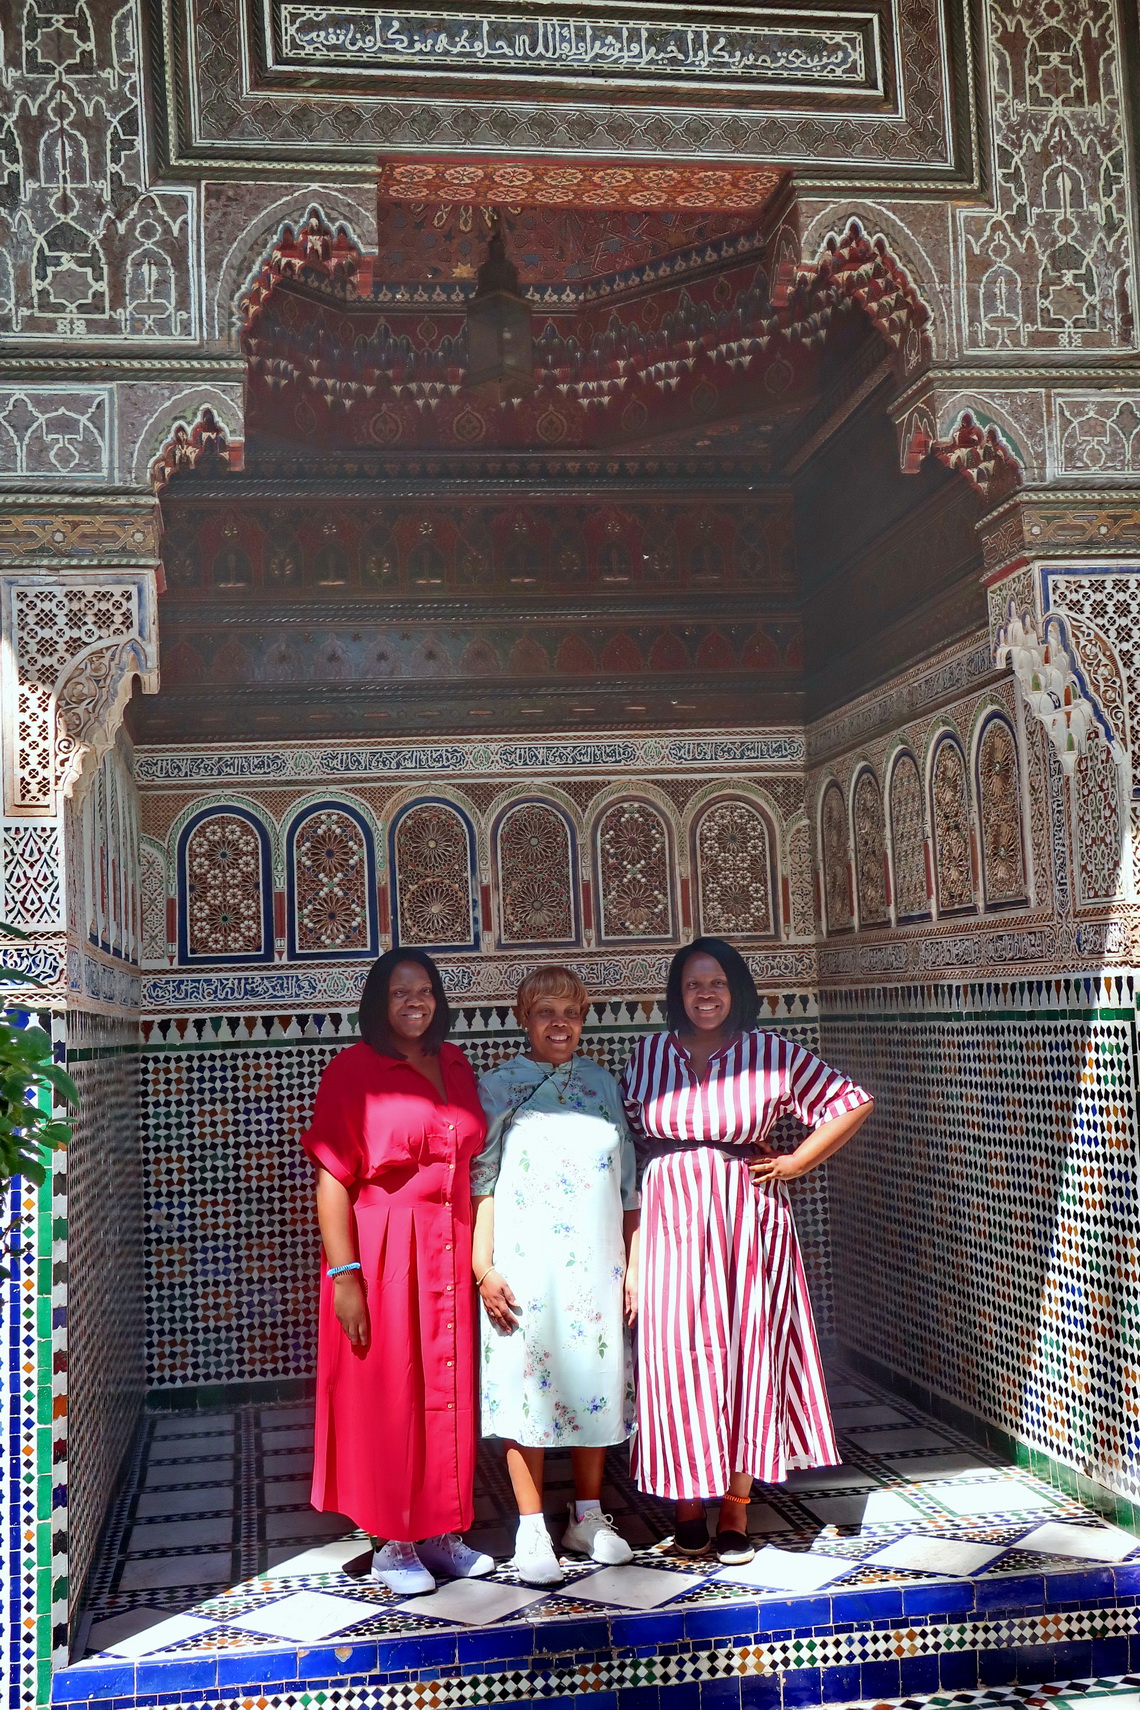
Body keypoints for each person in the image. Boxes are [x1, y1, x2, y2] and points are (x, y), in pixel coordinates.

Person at [621, 935, 873, 1566]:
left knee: (744, 1353)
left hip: (747, 1221)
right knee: (675, 1355)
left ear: (736, 990)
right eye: (692, 985)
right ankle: (686, 1503)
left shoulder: (770, 1053)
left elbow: (852, 1102)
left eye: (717, 983)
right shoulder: (650, 1053)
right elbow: (628, 1143)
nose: (705, 995)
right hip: (670, 1218)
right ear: (677, 996)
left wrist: (795, 1162)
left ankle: (735, 1507)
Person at [302, 947, 494, 1594]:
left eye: (426, 992)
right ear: (378, 1002)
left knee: (445, 1387)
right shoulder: (353, 1070)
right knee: (390, 1392)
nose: (416, 1003)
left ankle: (441, 1533)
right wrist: (345, 1276)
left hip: (448, 1244)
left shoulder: (455, 1063)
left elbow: (470, 1160)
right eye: (400, 993)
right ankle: (394, 1541)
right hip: (384, 1250)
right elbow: (332, 1178)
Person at [472, 967, 641, 1587]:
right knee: (527, 1393)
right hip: (524, 1271)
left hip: (596, 1268)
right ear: (522, 1017)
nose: (559, 1023)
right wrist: (483, 1268)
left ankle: (589, 1517)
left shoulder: (602, 1085)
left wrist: (634, 1264)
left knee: (596, 1381)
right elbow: (480, 1184)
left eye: (570, 1010)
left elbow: (627, 1187)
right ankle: (532, 1525)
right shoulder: (498, 1088)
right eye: (545, 1012)